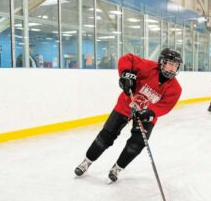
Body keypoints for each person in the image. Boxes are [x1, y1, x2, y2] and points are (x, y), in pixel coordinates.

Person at [74, 48, 183, 182]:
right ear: (161, 62)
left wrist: (151, 113)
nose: (173, 68)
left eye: (175, 65)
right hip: (126, 104)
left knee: (137, 143)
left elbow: (166, 106)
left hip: (146, 114)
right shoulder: (148, 67)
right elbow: (128, 58)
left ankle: (117, 168)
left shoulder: (176, 88)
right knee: (106, 135)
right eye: (170, 64)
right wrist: (125, 74)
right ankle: (87, 162)